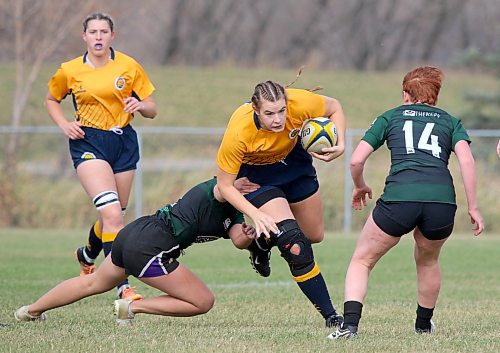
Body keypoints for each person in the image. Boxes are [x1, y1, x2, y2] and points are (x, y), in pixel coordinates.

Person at [328, 66, 485, 339]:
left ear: (405, 94)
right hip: (441, 202)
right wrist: (473, 207)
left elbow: (356, 159)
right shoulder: (450, 121)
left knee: (362, 260)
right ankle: (423, 325)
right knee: (428, 261)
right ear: (435, 96)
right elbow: (467, 161)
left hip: (400, 198)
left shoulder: (390, 117)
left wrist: (360, 186)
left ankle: (349, 327)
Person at [14, 178, 257, 325]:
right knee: (203, 301)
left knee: (93, 283)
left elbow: (237, 239)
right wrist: (233, 183)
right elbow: (222, 189)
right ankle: (131, 307)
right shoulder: (217, 188)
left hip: (136, 232)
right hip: (151, 245)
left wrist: (248, 236)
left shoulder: (234, 211)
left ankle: (29, 311)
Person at [45, 12, 157, 300]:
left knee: (115, 214)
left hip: (123, 142)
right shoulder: (70, 70)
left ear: (112, 36)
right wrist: (63, 124)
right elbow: (51, 99)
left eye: (103, 32)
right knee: (111, 215)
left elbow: (152, 108)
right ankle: (123, 287)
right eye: (92, 32)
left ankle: (87, 253)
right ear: (84, 36)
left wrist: (140, 106)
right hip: (88, 141)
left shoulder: (128, 65)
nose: (98, 36)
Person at [216, 79, 346, 327]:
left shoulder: (300, 103)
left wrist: (340, 144)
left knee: (313, 235)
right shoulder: (238, 131)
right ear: (255, 110)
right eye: (269, 113)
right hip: (258, 179)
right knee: (294, 243)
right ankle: (331, 317)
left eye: (281, 111)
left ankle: (260, 244)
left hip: (295, 167)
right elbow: (224, 186)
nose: (277, 119)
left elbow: (335, 107)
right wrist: (255, 213)